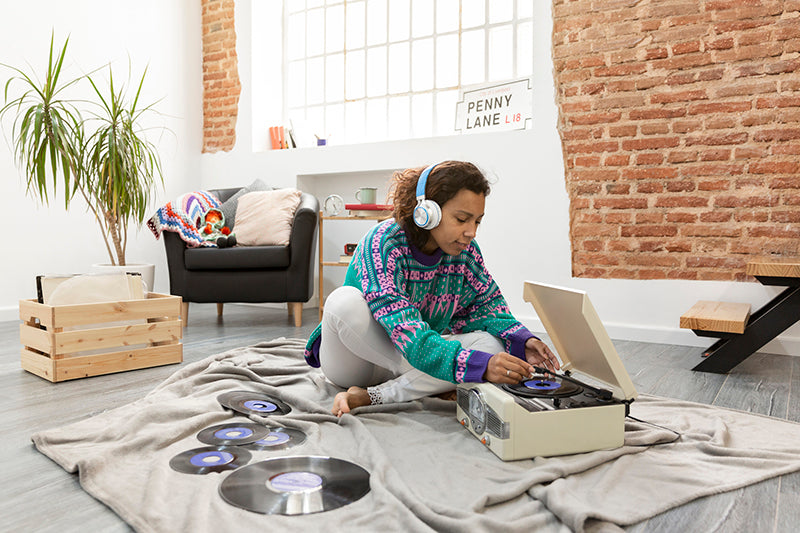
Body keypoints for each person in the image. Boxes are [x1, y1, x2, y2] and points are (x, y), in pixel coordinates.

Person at [304, 161, 560, 416]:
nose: (471, 232)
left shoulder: (466, 252)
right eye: (461, 219)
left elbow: (488, 307)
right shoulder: (383, 243)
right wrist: (473, 365)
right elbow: (408, 334)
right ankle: (432, 381)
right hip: (354, 362)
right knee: (343, 302)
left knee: (494, 346)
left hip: (410, 361)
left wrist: (522, 339)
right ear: (426, 211)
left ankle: (376, 396)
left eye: (477, 222)